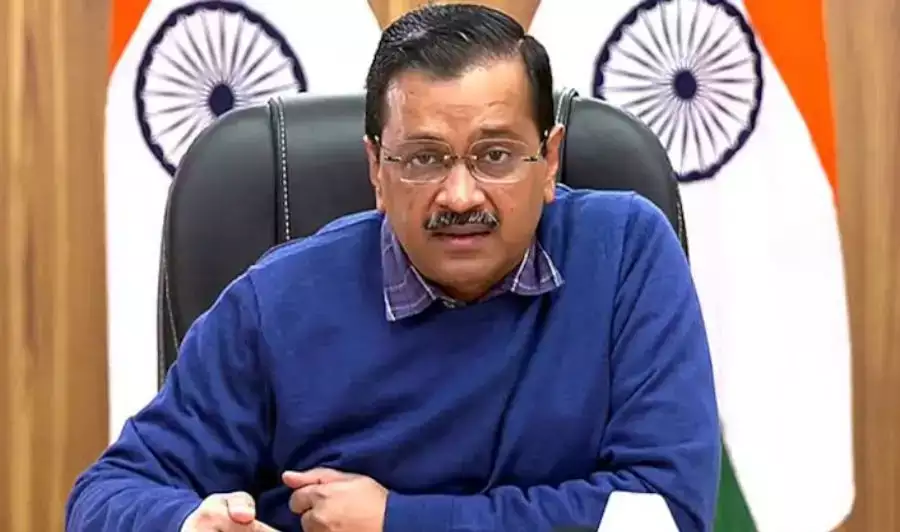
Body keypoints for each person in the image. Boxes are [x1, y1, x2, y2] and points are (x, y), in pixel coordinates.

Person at [65, 4, 720, 532]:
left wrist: (396, 519)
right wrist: (188, 523)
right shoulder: (277, 303)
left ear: (549, 162)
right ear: (377, 171)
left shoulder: (624, 251)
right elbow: (105, 496)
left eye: (495, 156)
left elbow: (661, 514)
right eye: (424, 159)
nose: (461, 197)